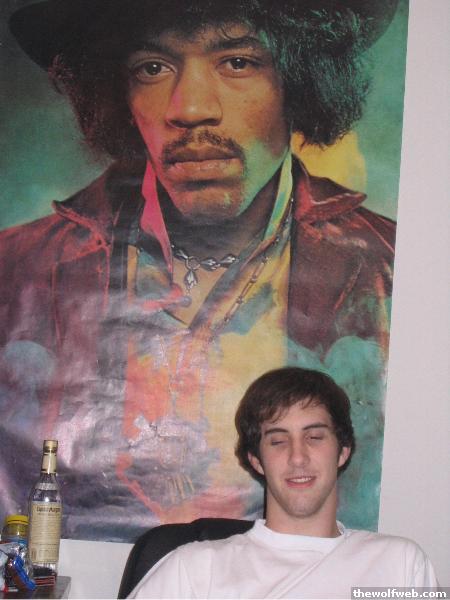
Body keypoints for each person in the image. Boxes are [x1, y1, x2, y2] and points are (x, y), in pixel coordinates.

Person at [0, 0, 397, 540]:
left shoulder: (388, 267)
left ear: (300, 81)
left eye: (237, 62)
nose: (190, 108)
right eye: (153, 68)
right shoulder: (16, 269)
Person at [129, 367, 439, 598]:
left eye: (314, 437)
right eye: (278, 441)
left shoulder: (401, 565)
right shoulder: (193, 569)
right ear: (256, 460)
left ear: (342, 451)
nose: (297, 457)